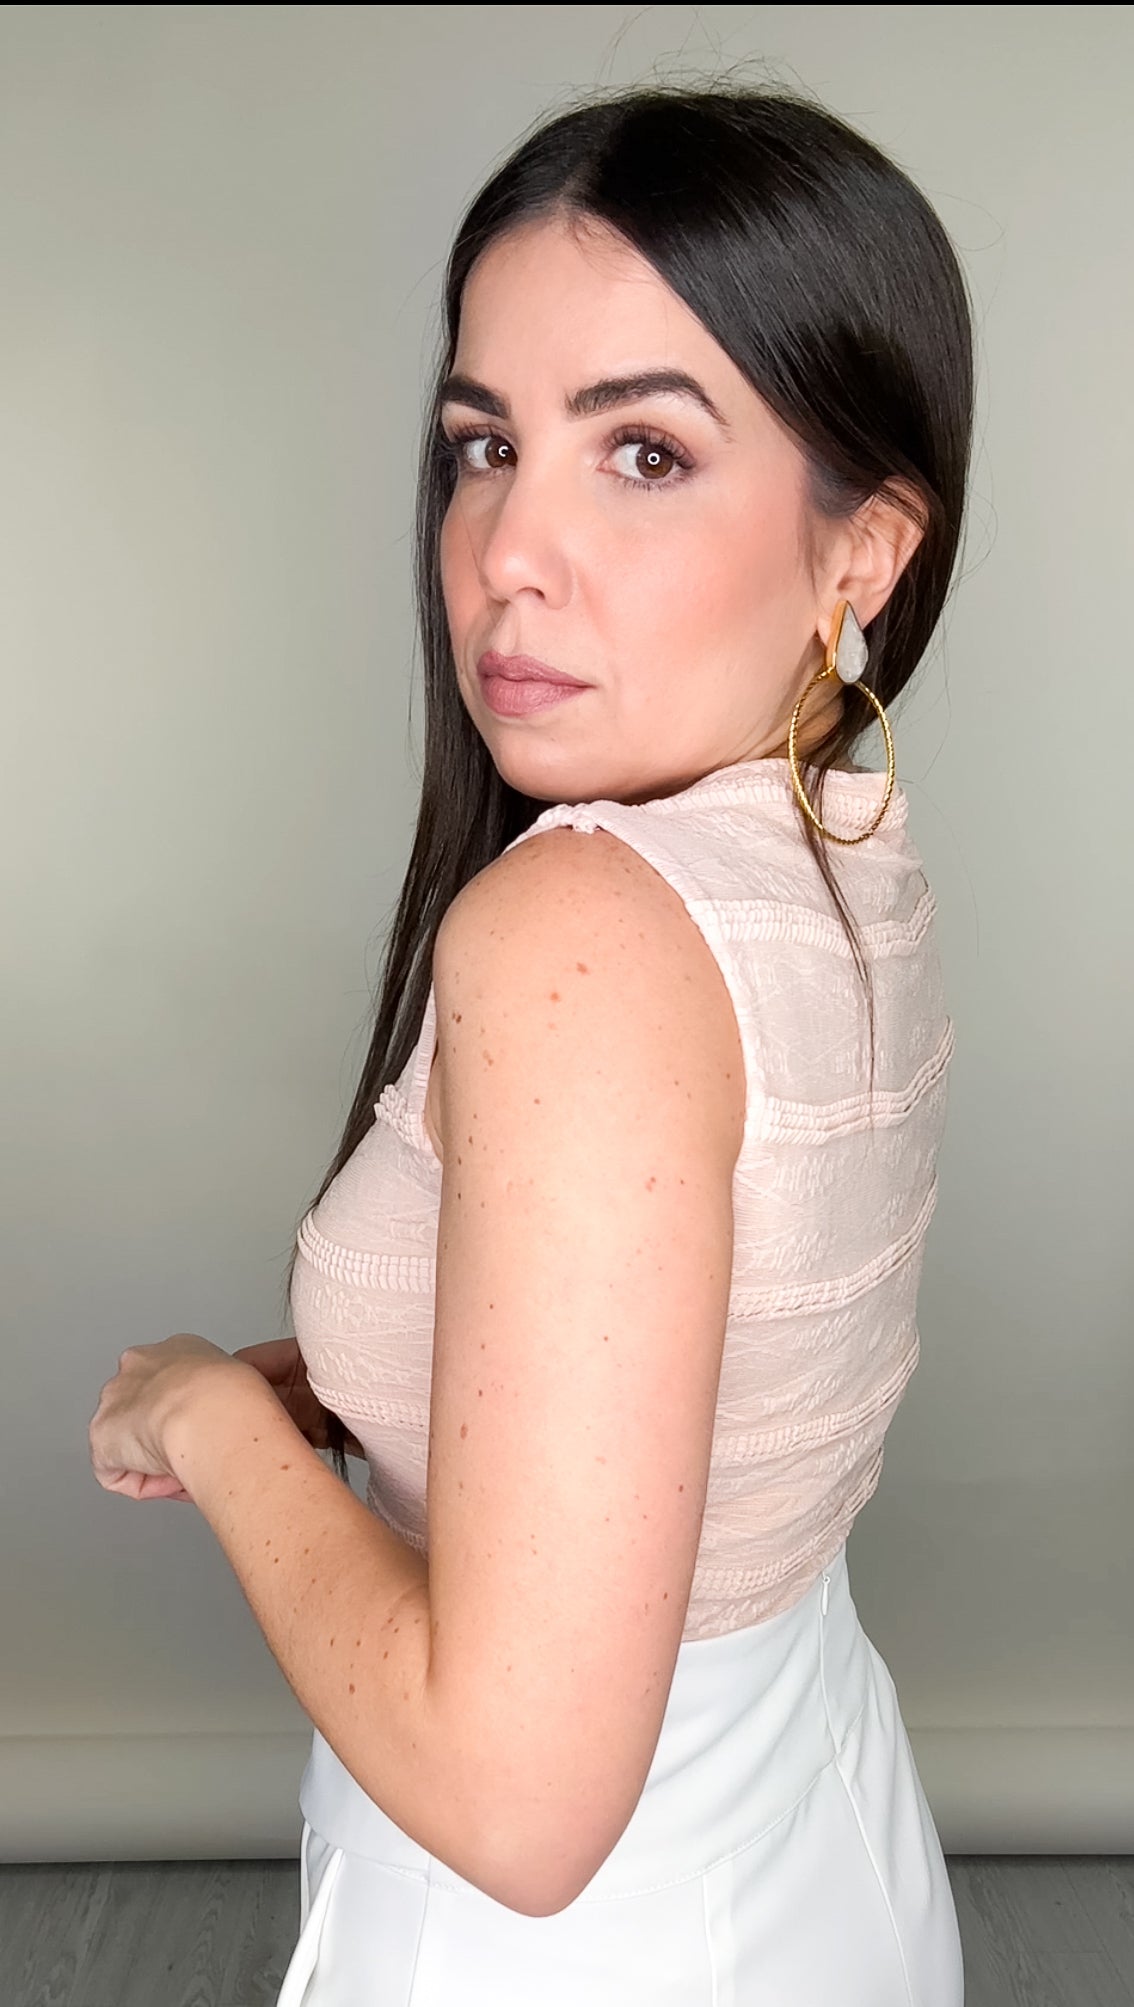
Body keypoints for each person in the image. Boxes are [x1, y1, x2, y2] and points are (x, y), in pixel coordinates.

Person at [95, 81, 970, 2004]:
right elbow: (708, 1367)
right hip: (822, 1853)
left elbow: (520, 1801)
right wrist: (370, 1379)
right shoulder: (834, 840)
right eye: (484, 446)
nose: (509, 550)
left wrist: (208, 1416)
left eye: (643, 452)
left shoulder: (577, 929)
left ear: (862, 551)